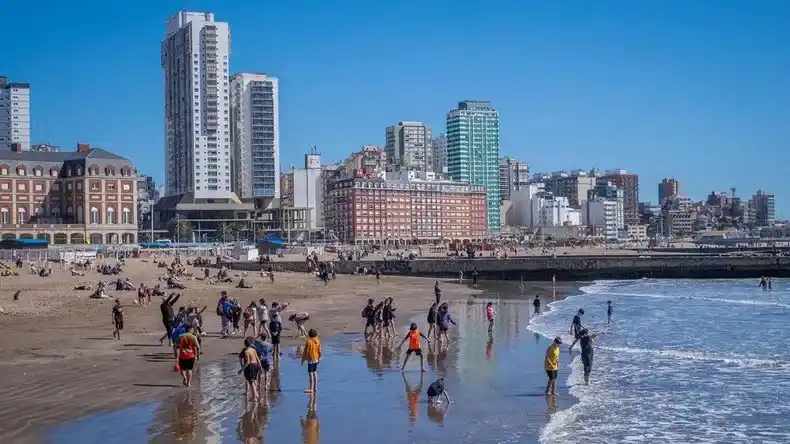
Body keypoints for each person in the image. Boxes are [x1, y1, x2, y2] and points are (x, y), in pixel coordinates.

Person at [239, 336, 263, 401]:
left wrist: (241, 369)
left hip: (250, 366)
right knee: (254, 380)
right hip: (256, 366)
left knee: (251, 382)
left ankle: (254, 397)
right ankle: (256, 394)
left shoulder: (246, 351)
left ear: (245, 344)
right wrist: (260, 368)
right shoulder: (253, 350)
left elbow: (248, 362)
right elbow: (258, 359)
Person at [301, 329, 322, 393]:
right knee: (314, 372)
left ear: (309, 335)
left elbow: (306, 351)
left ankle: (311, 388)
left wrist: (303, 360)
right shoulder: (318, 341)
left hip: (310, 359)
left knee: (310, 373)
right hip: (316, 358)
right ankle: (315, 387)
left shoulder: (309, 341)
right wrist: (319, 358)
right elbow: (319, 350)